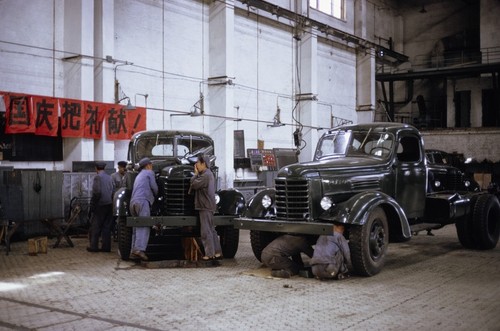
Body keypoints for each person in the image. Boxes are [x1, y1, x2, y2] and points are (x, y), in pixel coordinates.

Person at [188, 154, 222, 261]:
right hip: (208, 206)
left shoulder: (206, 175)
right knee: (211, 230)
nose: (196, 165)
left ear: (204, 164)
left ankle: (209, 254)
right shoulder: (208, 174)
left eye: (198, 163)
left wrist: (195, 175)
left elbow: (194, 185)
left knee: (206, 231)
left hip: (205, 206)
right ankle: (217, 252)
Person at [129, 157, 158, 261]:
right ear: (148, 165)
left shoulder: (139, 175)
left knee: (136, 227)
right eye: (151, 165)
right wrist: (158, 196)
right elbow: (154, 187)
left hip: (133, 202)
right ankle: (139, 249)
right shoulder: (149, 173)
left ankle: (133, 250)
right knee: (144, 225)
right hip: (142, 201)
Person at [88, 161, 115, 253]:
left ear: (96, 168)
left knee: (96, 226)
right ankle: (106, 247)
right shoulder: (110, 177)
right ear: (104, 168)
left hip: (100, 205)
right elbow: (113, 191)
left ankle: (94, 247)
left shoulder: (97, 177)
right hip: (109, 204)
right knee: (106, 227)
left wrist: (93, 204)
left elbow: (97, 192)